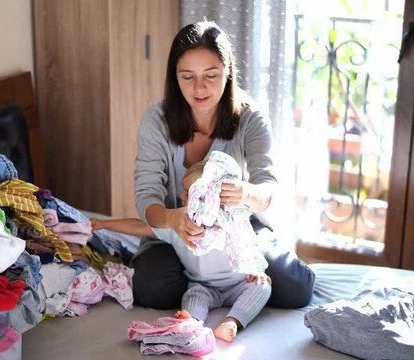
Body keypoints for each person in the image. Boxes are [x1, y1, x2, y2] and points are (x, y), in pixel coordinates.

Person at [131, 20, 315, 310]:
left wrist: (246, 193)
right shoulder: (156, 121)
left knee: (295, 289)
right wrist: (172, 220)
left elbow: (268, 185)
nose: (199, 87)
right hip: (177, 232)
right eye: (187, 76)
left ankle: (217, 285)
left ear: (228, 71)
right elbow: (146, 196)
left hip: (238, 229)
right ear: (174, 77)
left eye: (211, 75)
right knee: (151, 291)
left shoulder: (250, 118)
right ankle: (205, 286)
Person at [93, 160, 271, 342]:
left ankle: (232, 322)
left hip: (237, 284)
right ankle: (191, 321)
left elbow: (250, 246)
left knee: (262, 287)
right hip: (203, 286)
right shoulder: (179, 225)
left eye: (187, 192)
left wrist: (257, 271)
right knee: (193, 297)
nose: (180, 195)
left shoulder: (232, 222)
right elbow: (141, 226)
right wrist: (104, 224)